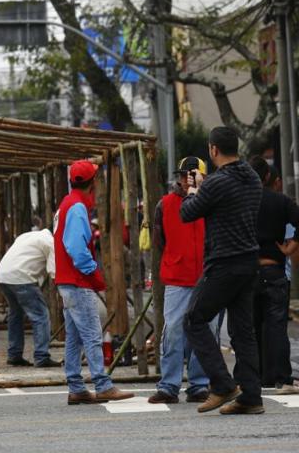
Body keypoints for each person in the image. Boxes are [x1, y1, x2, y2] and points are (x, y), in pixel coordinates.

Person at [180, 126, 264, 414]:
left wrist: (194, 188)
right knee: (243, 332)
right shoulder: (252, 178)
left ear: (213, 149)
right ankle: (251, 396)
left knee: (193, 320)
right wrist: (205, 186)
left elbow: (188, 212)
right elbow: (228, 203)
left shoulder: (216, 184)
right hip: (250, 262)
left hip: (223, 263)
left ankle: (222, 384)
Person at [55, 160, 134, 405]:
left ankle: (76, 387)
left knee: (74, 337)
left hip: (67, 281)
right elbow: (77, 249)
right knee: (91, 334)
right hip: (78, 281)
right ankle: (102, 384)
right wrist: (94, 273)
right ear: (93, 182)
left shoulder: (67, 204)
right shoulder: (77, 207)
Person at [149, 157, 215, 404]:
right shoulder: (164, 205)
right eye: (185, 174)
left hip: (206, 275)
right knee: (174, 330)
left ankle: (198, 384)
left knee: (205, 331)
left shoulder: (211, 203)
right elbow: (159, 241)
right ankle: (169, 385)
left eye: (193, 175)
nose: (187, 179)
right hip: (178, 276)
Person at [246, 156, 299, 394]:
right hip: (273, 268)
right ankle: (282, 378)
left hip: (246, 272)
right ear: (268, 177)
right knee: (277, 326)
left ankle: (255, 377)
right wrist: (291, 246)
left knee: (250, 326)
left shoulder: (241, 202)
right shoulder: (281, 201)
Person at [0, 228, 60, 368]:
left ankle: (14, 354)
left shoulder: (26, 235)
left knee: (15, 315)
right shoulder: (51, 242)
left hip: (3, 276)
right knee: (41, 316)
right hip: (21, 277)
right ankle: (42, 356)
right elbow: (53, 271)